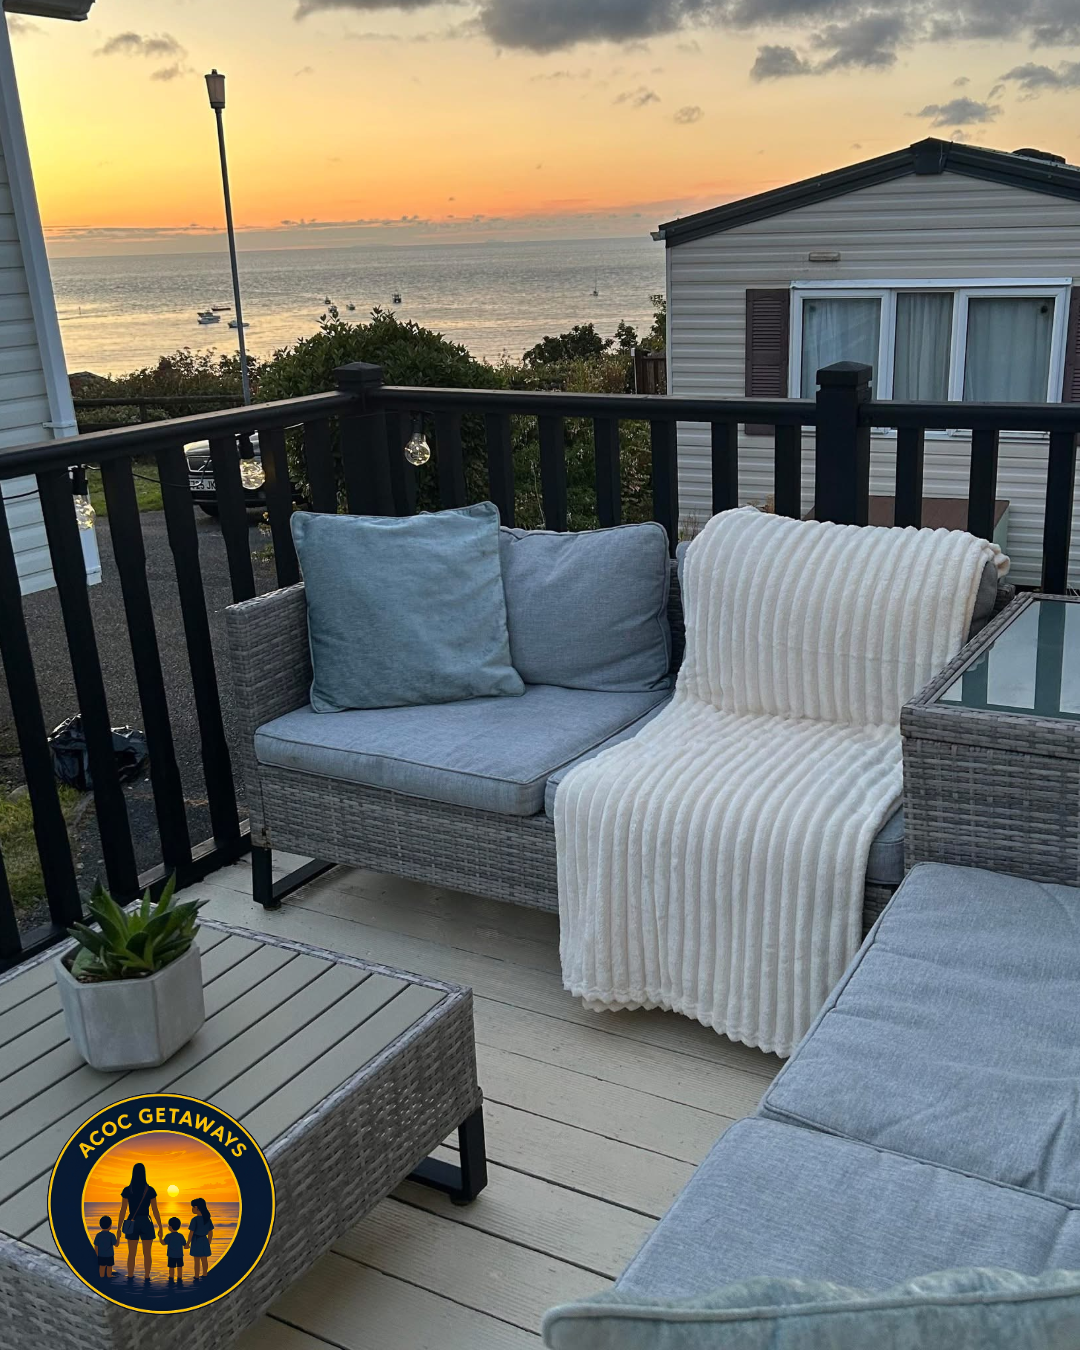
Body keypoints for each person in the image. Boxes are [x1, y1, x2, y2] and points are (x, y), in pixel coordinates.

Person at [116, 1161, 163, 1281]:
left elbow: (123, 1210)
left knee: (131, 1253)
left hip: (132, 1222)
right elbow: (155, 1210)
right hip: (146, 1222)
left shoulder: (128, 1190)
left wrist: (119, 1228)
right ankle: (147, 1277)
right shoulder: (150, 1190)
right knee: (147, 1253)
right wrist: (160, 1227)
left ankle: (130, 1276)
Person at [188, 1198, 214, 1280]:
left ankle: (196, 1276)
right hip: (204, 1240)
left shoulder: (195, 1219)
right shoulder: (207, 1219)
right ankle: (205, 1274)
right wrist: (209, 1242)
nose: (192, 1209)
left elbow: (191, 1232)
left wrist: (188, 1242)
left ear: (197, 1207)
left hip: (196, 1240)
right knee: (204, 1259)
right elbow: (210, 1232)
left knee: (197, 1260)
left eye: (193, 1207)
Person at [161, 1216, 187, 1285]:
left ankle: (171, 1278)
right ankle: (180, 1278)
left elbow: (163, 1243)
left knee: (171, 1268)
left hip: (171, 1255)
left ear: (170, 1227)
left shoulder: (168, 1236)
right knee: (180, 1267)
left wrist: (160, 1237)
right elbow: (185, 1244)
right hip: (179, 1255)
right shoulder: (181, 1236)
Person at [93, 1215, 117, 1279]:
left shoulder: (98, 1235)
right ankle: (109, 1275)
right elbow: (116, 1244)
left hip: (101, 1255)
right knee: (109, 1266)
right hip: (109, 1255)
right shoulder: (112, 1235)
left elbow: (96, 1246)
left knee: (102, 1266)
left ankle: (101, 1276)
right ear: (110, 1226)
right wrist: (118, 1237)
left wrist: (97, 1255)